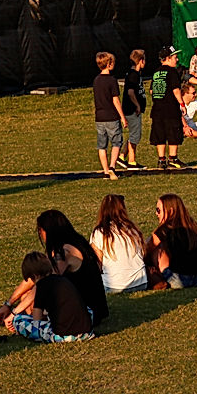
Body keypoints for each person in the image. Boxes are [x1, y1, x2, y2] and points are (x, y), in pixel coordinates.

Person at [6, 209, 109, 328]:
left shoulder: (64, 252)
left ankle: (37, 324)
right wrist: (9, 303)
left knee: (31, 301)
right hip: (94, 310)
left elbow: (44, 282)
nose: (40, 234)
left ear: (48, 231)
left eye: (40, 230)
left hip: (86, 314)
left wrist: (14, 313)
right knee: (28, 296)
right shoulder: (77, 243)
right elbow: (36, 276)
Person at [0, 253, 94, 344]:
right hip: (87, 332)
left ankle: (18, 324)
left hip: (64, 336)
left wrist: (19, 321)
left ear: (34, 276)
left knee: (18, 320)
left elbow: (36, 320)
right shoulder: (63, 279)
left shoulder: (41, 286)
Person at [89, 193, 147, 293]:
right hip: (141, 283)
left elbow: (96, 263)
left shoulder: (99, 233)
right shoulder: (133, 229)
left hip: (114, 286)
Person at [145, 194, 197, 290]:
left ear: (171, 210)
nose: (156, 214)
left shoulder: (164, 230)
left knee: (157, 249)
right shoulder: (193, 226)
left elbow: (146, 250)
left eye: (158, 210)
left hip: (178, 280)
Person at [150, 46, 187, 169]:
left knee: (159, 134)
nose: (177, 60)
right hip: (170, 108)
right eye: (175, 57)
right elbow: (176, 90)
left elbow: (151, 91)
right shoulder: (172, 72)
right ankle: (173, 158)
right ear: (168, 58)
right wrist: (182, 104)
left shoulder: (156, 72)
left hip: (157, 108)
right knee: (173, 133)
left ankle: (161, 160)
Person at [93, 51, 128, 180]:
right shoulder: (112, 80)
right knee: (116, 142)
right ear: (108, 64)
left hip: (99, 117)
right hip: (111, 116)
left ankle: (105, 171)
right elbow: (115, 100)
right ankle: (112, 166)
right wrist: (123, 117)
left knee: (102, 145)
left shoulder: (96, 80)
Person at [118, 49, 147, 171]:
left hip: (132, 109)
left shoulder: (135, 74)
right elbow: (130, 92)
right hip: (132, 110)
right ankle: (132, 161)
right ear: (141, 61)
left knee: (134, 134)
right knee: (135, 135)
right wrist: (137, 105)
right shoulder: (133, 75)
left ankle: (122, 156)